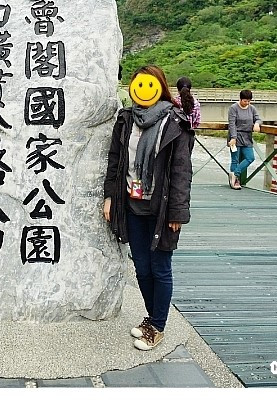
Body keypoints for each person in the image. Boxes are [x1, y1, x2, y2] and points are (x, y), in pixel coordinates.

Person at [102, 65, 193, 351]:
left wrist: (177, 212)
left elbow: (181, 170)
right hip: (131, 203)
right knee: (141, 267)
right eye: (138, 85)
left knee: (160, 267)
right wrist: (110, 197)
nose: (142, 90)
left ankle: (158, 326)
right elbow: (116, 160)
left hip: (161, 206)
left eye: (149, 84)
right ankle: (152, 319)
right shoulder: (127, 118)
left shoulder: (175, 122)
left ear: (160, 87)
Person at [227, 89, 261, 189]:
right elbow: (232, 124)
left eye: (249, 101)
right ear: (240, 99)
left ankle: (234, 174)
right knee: (235, 160)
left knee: (250, 157)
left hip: (247, 137)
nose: (247, 103)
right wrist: (233, 137)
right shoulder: (233, 108)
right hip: (236, 136)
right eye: (245, 101)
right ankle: (235, 181)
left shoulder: (252, 108)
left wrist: (257, 124)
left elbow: (258, 118)